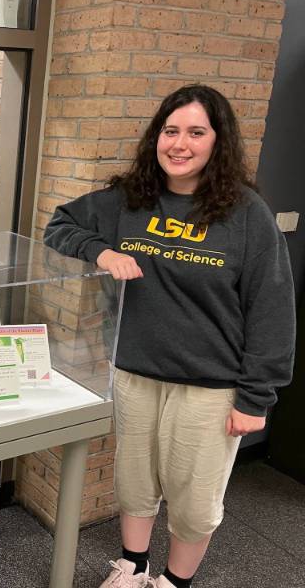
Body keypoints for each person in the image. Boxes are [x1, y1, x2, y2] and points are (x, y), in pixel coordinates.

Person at [43, 84, 295, 588]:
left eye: (196, 132)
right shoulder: (129, 201)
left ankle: (174, 582)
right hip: (136, 372)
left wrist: (256, 396)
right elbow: (60, 224)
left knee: (194, 496)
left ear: (216, 142)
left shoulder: (246, 214)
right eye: (171, 130)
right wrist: (102, 252)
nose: (180, 144)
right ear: (156, 137)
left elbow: (271, 311)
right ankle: (132, 566)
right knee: (134, 482)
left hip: (210, 384)